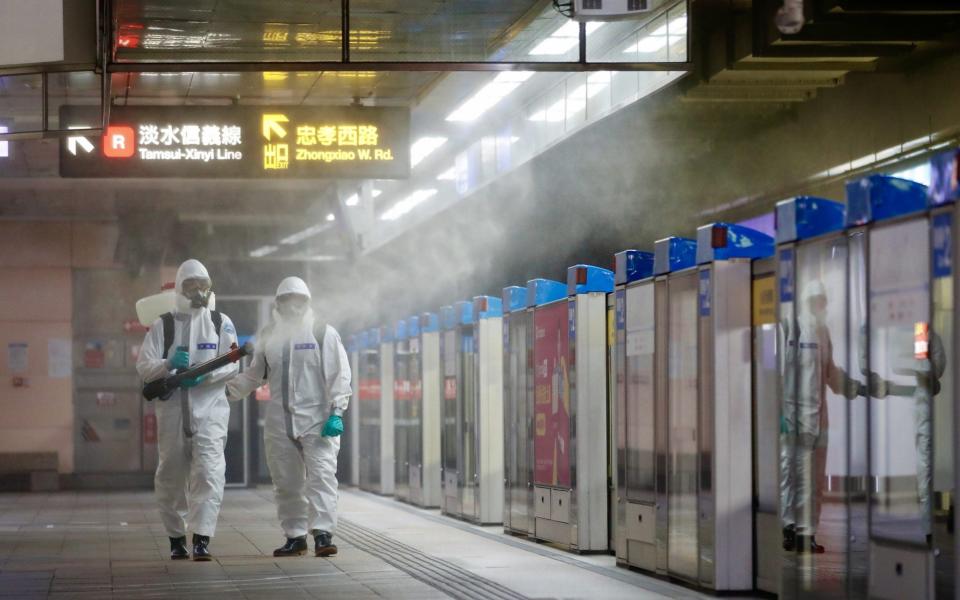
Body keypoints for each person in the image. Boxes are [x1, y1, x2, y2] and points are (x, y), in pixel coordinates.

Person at [227, 276, 351, 558]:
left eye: (299, 302)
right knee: (286, 481)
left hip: (318, 421)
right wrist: (224, 392)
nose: (293, 308)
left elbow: (339, 376)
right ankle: (295, 537)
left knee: (321, 477)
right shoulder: (269, 336)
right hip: (279, 422)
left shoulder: (322, 333)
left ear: (306, 303)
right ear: (278, 304)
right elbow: (253, 376)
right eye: (287, 301)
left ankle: (322, 534)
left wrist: (337, 412)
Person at [136, 259, 239, 561]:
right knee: (171, 475)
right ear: (180, 288)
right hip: (172, 415)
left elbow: (233, 363)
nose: (198, 290)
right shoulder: (163, 325)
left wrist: (204, 375)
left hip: (210, 414)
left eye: (203, 285)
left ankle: (202, 538)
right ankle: (176, 538)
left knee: (209, 472)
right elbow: (144, 366)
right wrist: (168, 365)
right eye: (191, 285)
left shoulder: (221, 323)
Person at [780, 279, 865, 554]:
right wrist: (780, 416)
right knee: (791, 476)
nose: (820, 306)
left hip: (819, 420)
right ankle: (788, 527)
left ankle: (807, 533)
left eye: (823, 301)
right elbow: (776, 376)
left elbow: (830, 373)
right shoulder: (790, 327)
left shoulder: (823, 331)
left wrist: (857, 387)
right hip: (793, 418)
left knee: (814, 480)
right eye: (816, 301)